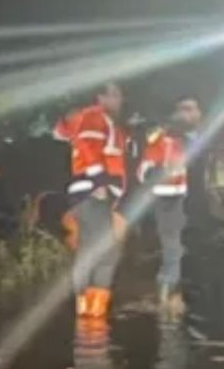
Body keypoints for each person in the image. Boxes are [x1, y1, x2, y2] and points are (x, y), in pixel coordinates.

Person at [53, 83, 128, 319]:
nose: (120, 100)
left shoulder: (96, 119)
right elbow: (89, 147)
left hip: (89, 191)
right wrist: (99, 181)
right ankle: (93, 314)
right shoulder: (95, 117)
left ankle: (86, 310)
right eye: (115, 95)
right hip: (94, 190)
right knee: (106, 252)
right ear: (100, 97)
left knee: (91, 249)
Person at [138, 96, 202, 305]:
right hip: (167, 198)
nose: (192, 114)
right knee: (173, 247)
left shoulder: (184, 138)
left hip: (181, 197)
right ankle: (168, 294)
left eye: (193, 110)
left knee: (175, 246)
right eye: (187, 110)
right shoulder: (162, 138)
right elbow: (145, 168)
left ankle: (170, 292)